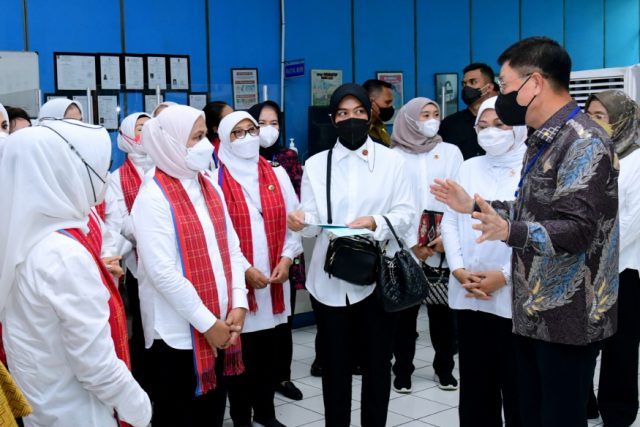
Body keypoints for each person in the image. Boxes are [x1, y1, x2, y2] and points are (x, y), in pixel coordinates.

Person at [431, 36, 619, 427]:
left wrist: (509, 230)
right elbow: (535, 209)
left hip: (566, 318)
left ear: (534, 83)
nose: (500, 96)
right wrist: (477, 207)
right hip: (532, 311)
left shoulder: (583, 142)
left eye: (504, 85)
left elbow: (578, 230)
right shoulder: (545, 139)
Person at [0, 121, 152, 426]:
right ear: (65, 172)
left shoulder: (20, 237)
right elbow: (97, 366)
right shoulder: (62, 255)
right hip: (83, 412)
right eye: (100, 168)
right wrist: (140, 409)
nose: (105, 177)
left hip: (43, 405)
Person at [287, 83, 414, 427]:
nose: (351, 119)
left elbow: (407, 213)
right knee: (335, 366)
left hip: (377, 276)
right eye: (342, 113)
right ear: (332, 119)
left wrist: (375, 221)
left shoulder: (392, 162)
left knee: (377, 364)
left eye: (358, 111)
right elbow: (312, 221)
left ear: (370, 115)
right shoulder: (317, 164)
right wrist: (301, 221)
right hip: (330, 279)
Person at [132, 105, 249, 426]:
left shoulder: (208, 185)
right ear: (170, 143)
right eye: (196, 138)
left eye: (205, 136)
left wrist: (239, 302)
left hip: (221, 322)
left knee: (212, 413)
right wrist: (207, 323)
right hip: (176, 335)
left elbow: (232, 247)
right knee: (179, 416)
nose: (206, 145)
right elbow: (162, 273)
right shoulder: (152, 197)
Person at [440, 96, 526, 426]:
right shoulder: (469, 166)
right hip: (470, 292)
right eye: (484, 126)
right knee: (476, 388)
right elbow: (450, 220)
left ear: (519, 128)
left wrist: (504, 275)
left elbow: (535, 230)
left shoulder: (533, 168)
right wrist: (458, 269)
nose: (491, 132)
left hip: (514, 293)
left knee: (518, 388)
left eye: (500, 125)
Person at [216, 111, 302, 427]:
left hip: (274, 281)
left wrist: (287, 258)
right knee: (239, 355)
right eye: (237, 132)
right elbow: (218, 235)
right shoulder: (214, 179)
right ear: (224, 139)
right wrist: (245, 269)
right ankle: (241, 416)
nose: (247, 137)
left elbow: (296, 221)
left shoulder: (276, 173)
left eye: (251, 130)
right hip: (238, 284)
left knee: (268, 352)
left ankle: (266, 413)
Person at [389, 97, 463, 393]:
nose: (432, 120)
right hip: (404, 246)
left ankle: (444, 368)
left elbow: (459, 196)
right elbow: (391, 201)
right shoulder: (393, 156)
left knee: (443, 314)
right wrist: (412, 244)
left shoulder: (450, 152)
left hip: (442, 244)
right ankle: (402, 370)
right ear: (408, 119)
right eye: (424, 115)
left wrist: (447, 238)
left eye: (435, 114)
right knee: (404, 316)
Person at [584, 90, 640, 427]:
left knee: (620, 345)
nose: (592, 122)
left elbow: (631, 222)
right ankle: (585, 403)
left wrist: (594, 252)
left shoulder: (636, 161)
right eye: (589, 114)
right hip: (582, 266)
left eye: (600, 116)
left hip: (622, 268)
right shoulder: (589, 154)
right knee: (583, 340)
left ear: (621, 120)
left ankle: (618, 411)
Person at [247, 100, 306, 401]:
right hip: (251, 255)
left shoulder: (286, 159)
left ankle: (282, 376)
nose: (268, 130)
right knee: (254, 324)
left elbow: (298, 201)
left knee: (284, 318)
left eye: (274, 124)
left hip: (285, 247)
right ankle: (254, 382)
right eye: (261, 124)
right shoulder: (239, 159)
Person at [104, 112, 152, 391]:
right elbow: (121, 223)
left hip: (171, 260)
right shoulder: (116, 178)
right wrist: (154, 230)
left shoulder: (165, 166)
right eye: (140, 128)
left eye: (149, 128)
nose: (145, 134)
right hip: (136, 262)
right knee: (143, 325)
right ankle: (144, 384)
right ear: (126, 136)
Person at [439, 63, 498, 160]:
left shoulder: (504, 120)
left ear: (489, 87)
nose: (467, 88)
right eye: (464, 84)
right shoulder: (449, 124)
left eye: (473, 82)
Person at [363, 79, 394, 146]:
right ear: (370, 103)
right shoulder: (359, 130)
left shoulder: (379, 125)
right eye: (387, 102)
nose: (391, 106)